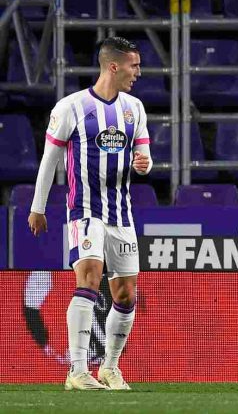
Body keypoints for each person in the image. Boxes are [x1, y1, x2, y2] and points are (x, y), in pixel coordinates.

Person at [28, 37, 152, 390]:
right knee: (90, 278)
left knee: (126, 294)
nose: (138, 72)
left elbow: (144, 157)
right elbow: (49, 159)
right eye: (133, 65)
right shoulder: (71, 106)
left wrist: (145, 164)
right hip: (84, 211)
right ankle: (77, 370)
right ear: (114, 66)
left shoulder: (134, 108)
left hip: (121, 214)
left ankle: (109, 368)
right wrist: (38, 207)